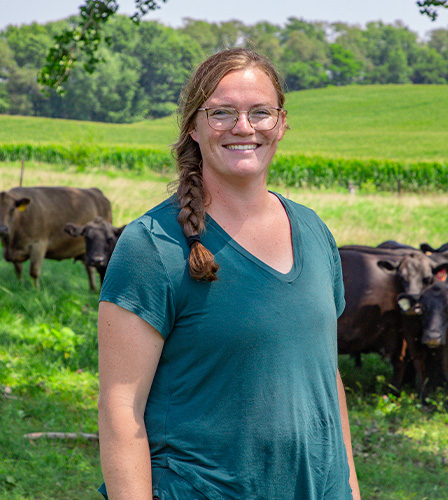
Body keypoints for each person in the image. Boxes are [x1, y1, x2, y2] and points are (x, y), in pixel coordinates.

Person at [97, 48, 361, 500]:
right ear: (194, 128)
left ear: (281, 124)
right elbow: (121, 409)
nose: (243, 127)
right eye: (221, 113)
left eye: (260, 112)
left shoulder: (314, 231)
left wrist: (350, 488)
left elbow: (323, 376)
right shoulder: (152, 245)